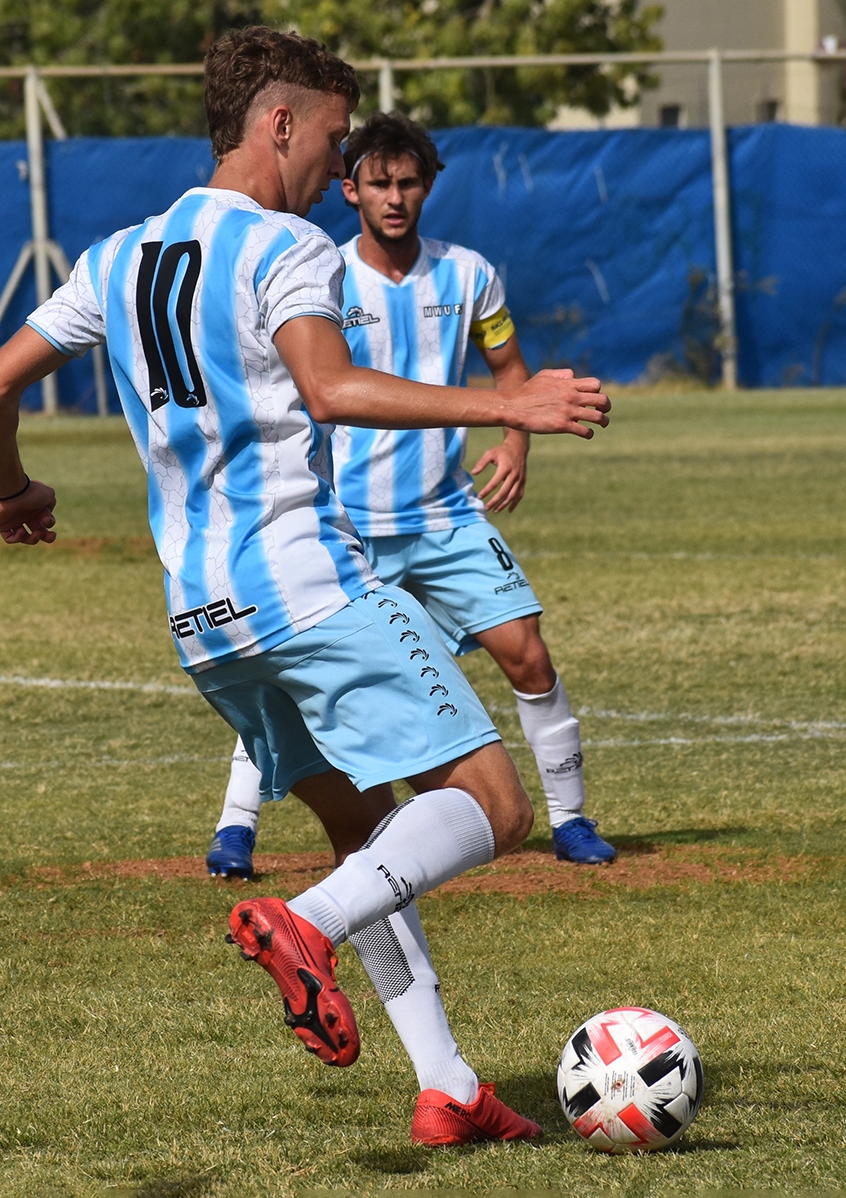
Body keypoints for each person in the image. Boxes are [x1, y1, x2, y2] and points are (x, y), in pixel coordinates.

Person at [0, 27, 607, 1145]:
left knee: (370, 845)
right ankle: (303, 925)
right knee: (494, 806)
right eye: (331, 132)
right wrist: (511, 404)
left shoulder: (119, 256)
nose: (337, 158)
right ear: (279, 123)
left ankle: (447, 1084)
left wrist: (14, 490)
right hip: (309, 587)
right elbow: (332, 385)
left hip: (203, 621)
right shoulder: (284, 249)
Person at [204, 112, 614, 880]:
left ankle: (572, 819)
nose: (395, 198)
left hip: (447, 514)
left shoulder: (470, 275)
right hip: (345, 523)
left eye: (409, 182)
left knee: (526, 653)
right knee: (291, 671)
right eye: (379, 182)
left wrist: (516, 439)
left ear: (428, 186)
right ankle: (235, 828)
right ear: (350, 187)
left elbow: (510, 371)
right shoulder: (315, 269)